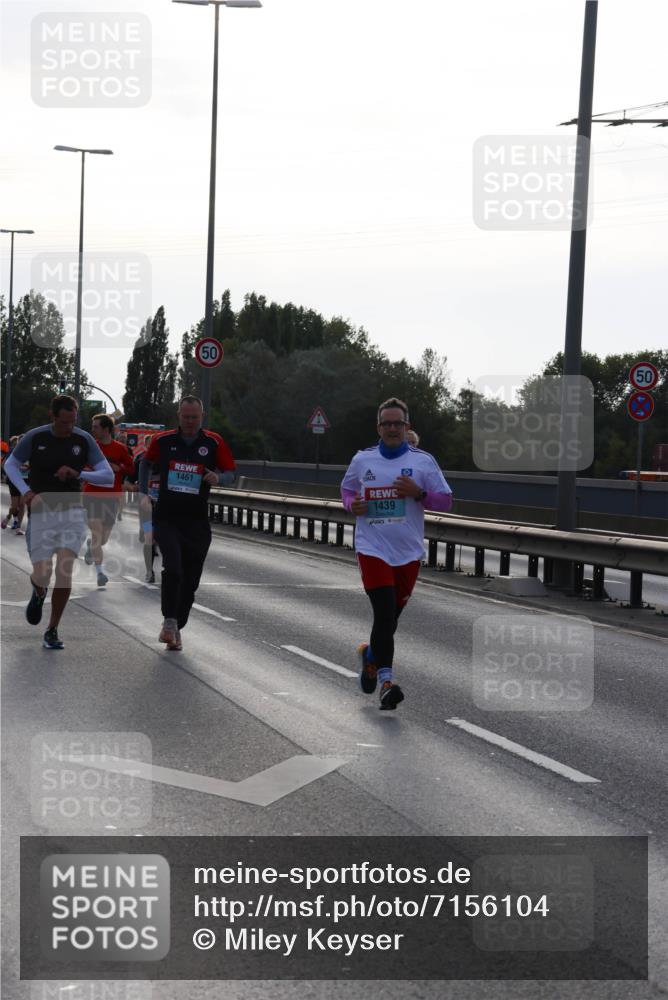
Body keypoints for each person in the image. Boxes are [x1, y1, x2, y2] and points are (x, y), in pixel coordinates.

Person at [340, 397, 453, 709]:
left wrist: (418, 493)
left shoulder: (423, 462)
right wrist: (352, 505)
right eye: (386, 423)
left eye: (397, 423)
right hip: (372, 548)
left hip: (408, 553)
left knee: (390, 621)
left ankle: (371, 657)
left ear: (407, 427)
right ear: (379, 427)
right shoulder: (363, 460)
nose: (392, 428)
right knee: (384, 613)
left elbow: (445, 502)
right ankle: (387, 683)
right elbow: (347, 491)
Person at [3, 395, 113, 649]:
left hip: (73, 511)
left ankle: (52, 629)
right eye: (64, 422)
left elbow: (107, 475)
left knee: (64, 571)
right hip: (42, 511)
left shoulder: (83, 439)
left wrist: (79, 473)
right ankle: (39, 592)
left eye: (73, 421)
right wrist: (26, 490)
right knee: (43, 573)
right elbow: (11, 464)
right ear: (53, 418)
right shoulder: (36, 437)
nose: (69, 427)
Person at [139, 396, 236, 651]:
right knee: (173, 568)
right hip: (167, 516)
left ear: (202, 416)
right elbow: (145, 463)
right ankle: (169, 622)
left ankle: (177, 626)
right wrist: (143, 492)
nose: (190, 422)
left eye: (194, 417)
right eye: (186, 417)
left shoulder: (213, 442)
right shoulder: (164, 440)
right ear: (178, 416)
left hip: (196, 521)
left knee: (191, 579)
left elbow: (231, 473)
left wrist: (219, 477)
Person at [82, 414, 134, 587]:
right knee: (97, 535)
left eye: (96, 426)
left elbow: (132, 468)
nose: (93, 429)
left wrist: (119, 467)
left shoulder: (120, 449)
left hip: (112, 497)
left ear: (106, 429)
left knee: (102, 540)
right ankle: (100, 573)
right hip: (91, 495)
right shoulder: (91, 447)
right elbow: (80, 465)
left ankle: (91, 547)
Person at [125, 434, 160, 583]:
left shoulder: (170, 458)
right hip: (146, 505)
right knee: (148, 538)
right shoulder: (140, 459)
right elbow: (128, 480)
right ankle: (149, 571)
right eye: (151, 444)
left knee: (165, 537)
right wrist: (133, 486)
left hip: (167, 506)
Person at [1, 435, 28, 534]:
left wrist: (28, 468)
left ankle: (18, 527)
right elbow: (4, 464)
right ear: (18, 442)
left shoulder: (31, 452)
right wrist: (9, 473)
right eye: (21, 441)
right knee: (14, 506)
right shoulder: (13, 452)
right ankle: (8, 517)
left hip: (26, 480)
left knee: (22, 504)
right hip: (14, 480)